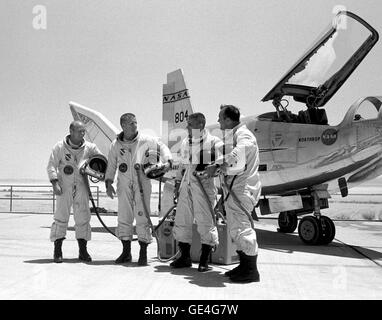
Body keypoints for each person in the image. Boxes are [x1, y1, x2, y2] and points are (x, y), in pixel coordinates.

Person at [105, 113, 172, 266]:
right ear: (123, 126)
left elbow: (162, 147)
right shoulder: (116, 144)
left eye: (135, 122)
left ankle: (143, 253)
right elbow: (111, 164)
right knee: (124, 216)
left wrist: (167, 161)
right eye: (131, 123)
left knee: (143, 215)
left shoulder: (146, 140)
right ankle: (126, 252)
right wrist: (108, 182)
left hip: (142, 181)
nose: (135, 125)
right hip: (123, 183)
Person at [205, 105, 261, 283]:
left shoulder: (243, 135)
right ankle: (244, 266)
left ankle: (252, 271)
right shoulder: (233, 135)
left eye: (221, 118)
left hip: (242, 189)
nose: (219, 121)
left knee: (242, 229)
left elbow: (243, 149)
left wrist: (221, 164)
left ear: (228, 120)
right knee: (236, 229)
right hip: (235, 189)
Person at [170, 113, 222, 272]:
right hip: (186, 185)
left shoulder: (214, 142)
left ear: (200, 125)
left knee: (205, 221)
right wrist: (177, 184)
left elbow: (221, 163)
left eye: (190, 125)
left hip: (204, 186)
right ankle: (184, 257)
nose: (186, 127)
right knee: (182, 219)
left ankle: (204, 261)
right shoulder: (186, 142)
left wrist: (212, 166)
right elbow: (182, 165)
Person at [47, 120, 103, 263]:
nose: (83, 133)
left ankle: (83, 251)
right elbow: (51, 166)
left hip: (82, 186)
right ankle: (57, 250)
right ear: (71, 131)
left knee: (83, 217)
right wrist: (54, 183)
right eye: (80, 131)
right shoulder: (60, 147)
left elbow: (101, 162)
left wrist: (98, 171)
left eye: (84, 131)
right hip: (64, 186)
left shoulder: (90, 148)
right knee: (61, 217)